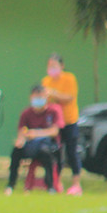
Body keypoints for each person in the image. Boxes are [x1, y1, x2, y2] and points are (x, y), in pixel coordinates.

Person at [4, 84, 62, 196]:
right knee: (16, 152)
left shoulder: (53, 111)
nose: (38, 100)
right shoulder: (26, 113)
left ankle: (50, 187)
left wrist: (36, 133)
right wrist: (20, 140)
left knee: (46, 154)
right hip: (30, 145)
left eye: (41, 97)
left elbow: (54, 131)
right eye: (36, 97)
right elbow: (21, 130)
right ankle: (11, 185)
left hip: (47, 145)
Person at [41, 53, 82, 195]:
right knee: (56, 153)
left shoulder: (69, 79)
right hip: (54, 123)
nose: (51, 69)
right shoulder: (46, 81)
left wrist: (53, 93)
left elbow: (69, 97)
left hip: (69, 121)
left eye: (54, 66)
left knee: (71, 152)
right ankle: (56, 182)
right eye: (49, 66)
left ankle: (76, 184)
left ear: (61, 66)